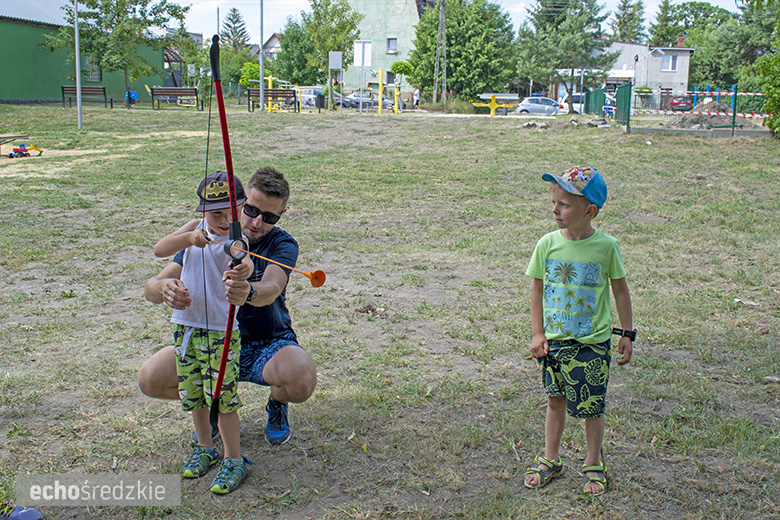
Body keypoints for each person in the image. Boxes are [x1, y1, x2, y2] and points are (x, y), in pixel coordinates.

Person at [138, 167, 317, 449]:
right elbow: (154, 283)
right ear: (241, 201)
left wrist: (248, 291)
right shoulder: (204, 233)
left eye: (269, 217)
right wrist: (162, 289)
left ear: (281, 215)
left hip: (265, 344)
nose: (257, 222)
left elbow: (271, 288)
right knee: (150, 379)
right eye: (251, 210)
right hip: (210, 340)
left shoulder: (282, 243)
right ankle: (211, 404)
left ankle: (277, 404)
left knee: (301, 378)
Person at [523, 165, 634, 496]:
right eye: (553, 202)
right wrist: (538, 333)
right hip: (554, 343)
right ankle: (551, 460)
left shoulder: (606, 247)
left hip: (592, 344)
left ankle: (593, 463)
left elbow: (620, 290)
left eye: (564, 204)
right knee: (555, 401)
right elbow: (537, 291)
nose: (555, 210)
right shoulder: (547, 245)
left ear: (590, 211)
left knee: (592, 407)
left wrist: (627, 333)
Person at [152, 171, 254, 494]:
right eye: (215, 214)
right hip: (185, 327)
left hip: (220, 333)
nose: (224, 220)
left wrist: (241, 271)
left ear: (241, 208)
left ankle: (234, 458)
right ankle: (205, 446)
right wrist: (190, 238)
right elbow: (159, 249)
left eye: (231, 212)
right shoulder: (195, 230)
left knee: (223, 399)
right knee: (194, 393)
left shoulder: (236, 239)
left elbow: (245, 262)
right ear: (202, 213)